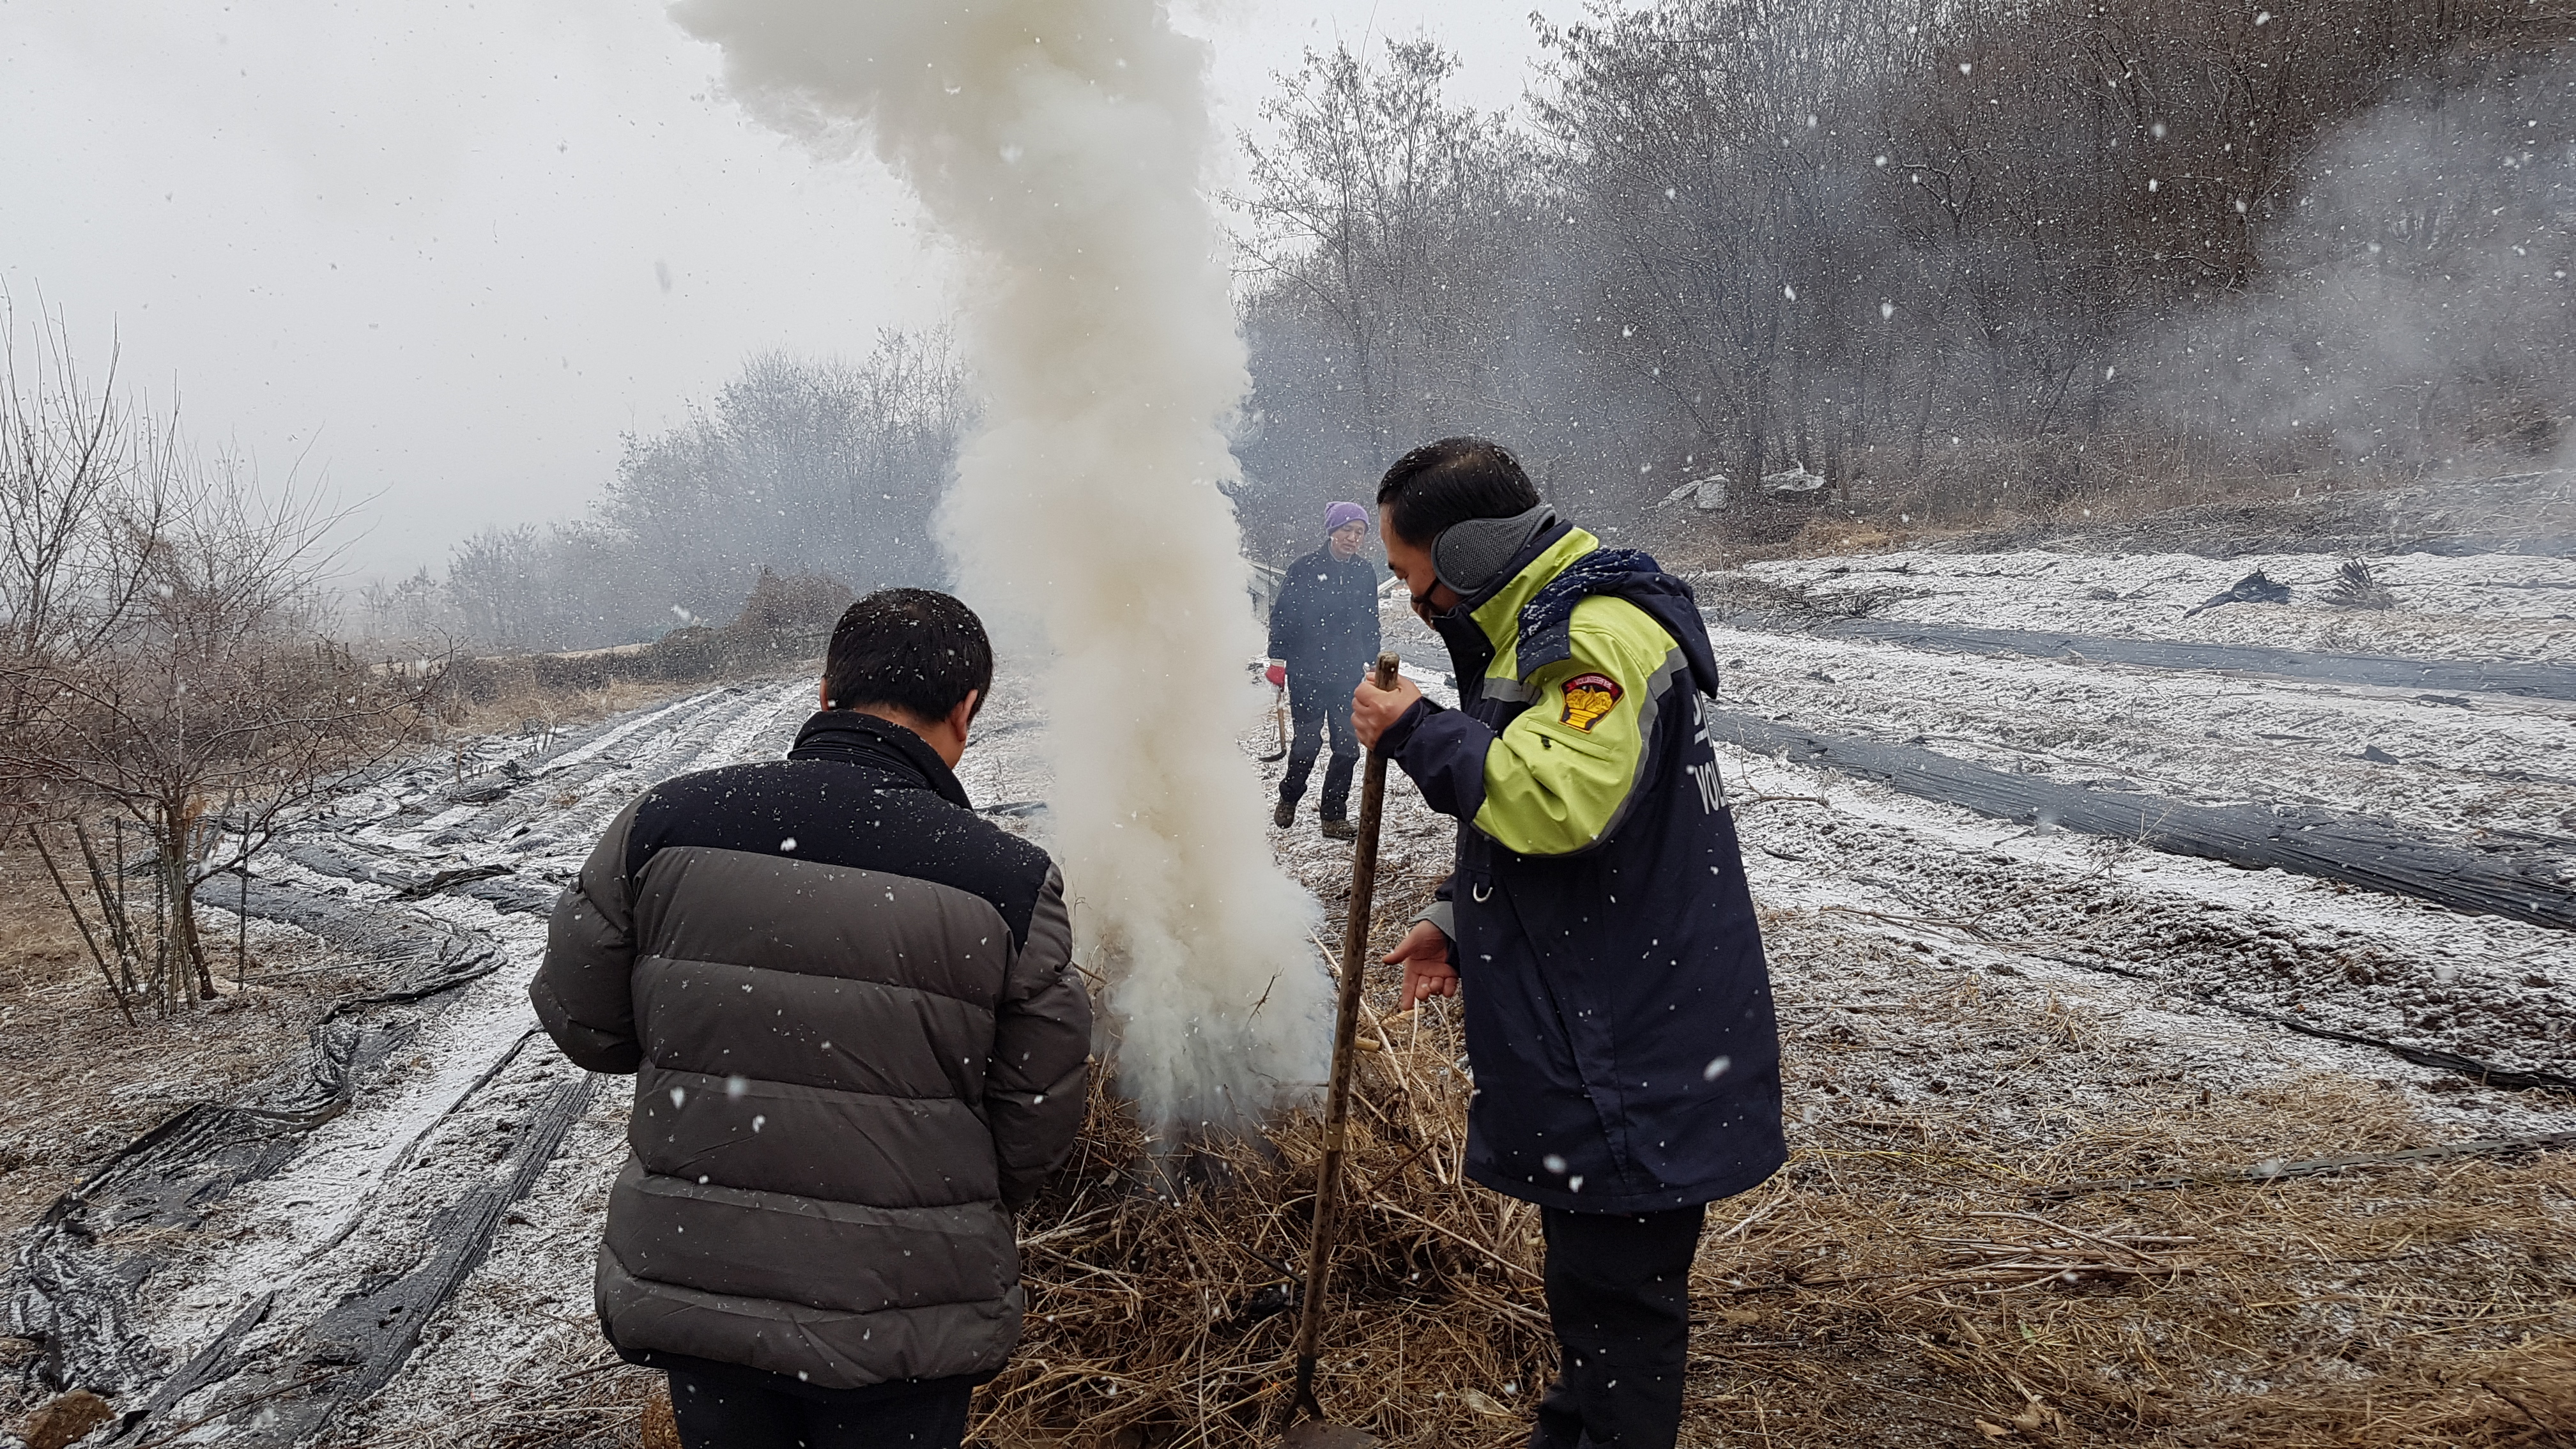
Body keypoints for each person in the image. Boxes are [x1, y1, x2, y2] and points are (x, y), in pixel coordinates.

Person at [529, 587, 1091, 1449]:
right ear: (967, 710)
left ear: (826, 692)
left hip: (705, 1284)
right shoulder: (1007, 882)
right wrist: (948, 1200)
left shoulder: (663, 823)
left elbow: (584, 1022)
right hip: (902, 1308)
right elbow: (1040, 1114)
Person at [1349, 438, 1786, 1449]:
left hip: (1628, 1051)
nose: (1413, 602)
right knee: (1594, 1300)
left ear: (1468, 554)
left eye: (1414, 576)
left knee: (1620, 1313)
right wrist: (1457, 919)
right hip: (1613, 1031)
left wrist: (1416, 730)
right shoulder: (1538, 631)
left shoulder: (1590, 638)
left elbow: (1557, 804)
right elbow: (1562, 839)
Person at [1266, 500, 1383, 840]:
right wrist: (1277, 660)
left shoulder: (1364, 572)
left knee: (1347, 747)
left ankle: (1333, 815)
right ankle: (1290, 795)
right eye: (1347, 530)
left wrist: (1373, 660)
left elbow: (1370, 621)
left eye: (1359, 532)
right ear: (1332, 531)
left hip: (1347, 676)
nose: (1353, 538)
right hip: (1307, 673)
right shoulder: (1304, 569)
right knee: (1307, 744)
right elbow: (1283, 615)